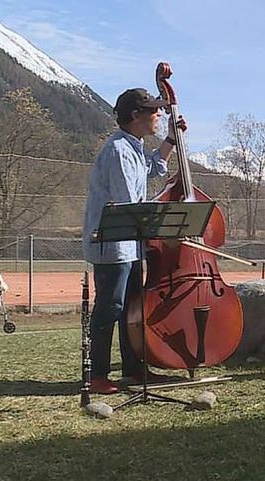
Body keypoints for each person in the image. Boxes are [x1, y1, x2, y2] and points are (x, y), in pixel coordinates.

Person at [82, 87, 185, 394]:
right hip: (113, 244)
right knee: (110, 307)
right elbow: (131, 204)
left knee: (131, 308)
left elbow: (152, 167)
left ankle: (133, 370)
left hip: (130, 243)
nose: (159, 115)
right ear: (136, 116)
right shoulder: (117, 150)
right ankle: (97, 375)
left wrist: (169, 139)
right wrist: (167, 202)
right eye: (155, 111)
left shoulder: (134, 146)